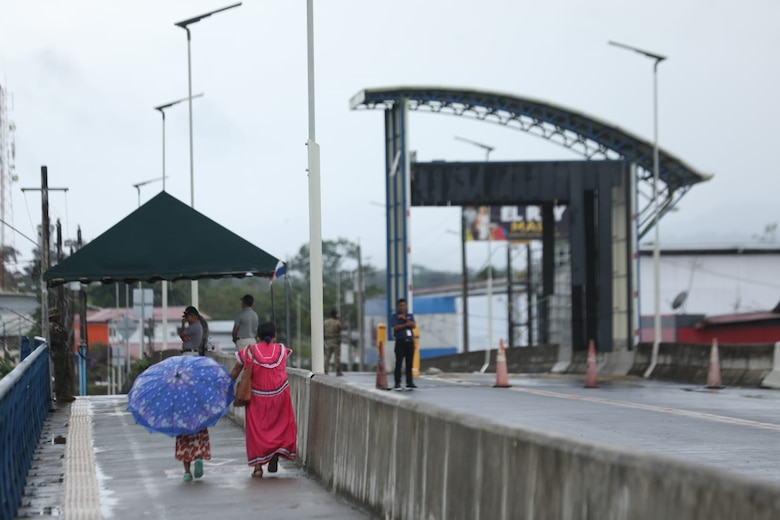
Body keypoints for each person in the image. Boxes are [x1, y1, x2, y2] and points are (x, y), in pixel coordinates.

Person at [230, 321, 297, 478]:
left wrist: (225, 386)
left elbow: (235, 370)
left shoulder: (249, 351)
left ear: (257, 336)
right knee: (279, 429)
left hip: (256, 399)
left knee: (256, 432)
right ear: (275, 335)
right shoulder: (282, 350)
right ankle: (274, 456)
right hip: (280, 397)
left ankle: (258, 467)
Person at [175, 305, 211, 481]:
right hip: (197, 415)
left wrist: (182, 326)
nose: (186, 320)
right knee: (198, 436)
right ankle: (198, 457)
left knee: (184, 440)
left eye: (187, 317)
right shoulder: (199, 327)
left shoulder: (195, 326)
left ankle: (187, 472)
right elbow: (182, 335)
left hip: (189, 355)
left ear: (192, 315)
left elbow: (181, 335)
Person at [49, 308, 75, 403]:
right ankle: (59, 394)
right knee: (60, 373)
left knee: (65, 372)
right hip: (58, 352)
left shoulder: (57, 325)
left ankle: (64, 393)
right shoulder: (53, 326)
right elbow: (61, 336)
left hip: (62, 352)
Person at [391, 298, 417, 390]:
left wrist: (405, 319)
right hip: (400, 342)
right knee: (399, 363)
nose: (402, 307)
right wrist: (406, 325)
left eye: (404, 305)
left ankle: (409, 382)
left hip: (409, 341)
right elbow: (396, 327)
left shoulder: (409, 316)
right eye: (400, 306)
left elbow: (413, 325)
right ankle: (397, 383)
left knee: (409, 363)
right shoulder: (395, 316)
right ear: (398, 307)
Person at [323, 309, 346, 376]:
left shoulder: (325, 322)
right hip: (336, 341)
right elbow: (344, 327)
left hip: (328, 341)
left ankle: (325, 370)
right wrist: (341, 320)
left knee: (327, 357)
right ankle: (338, 371)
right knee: (337, 357)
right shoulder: (337, 322)